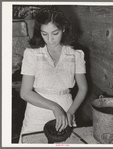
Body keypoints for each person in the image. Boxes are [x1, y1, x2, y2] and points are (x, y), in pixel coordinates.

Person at [19, 5, 88, 143]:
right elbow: (25, 93)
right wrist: (55, 107)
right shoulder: (32, 54)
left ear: (63, 28)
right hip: (37, 111)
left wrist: (70, 112)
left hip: (67, 109)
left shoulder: (75, 54)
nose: (50, 39)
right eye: (45, 34)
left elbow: (83, 88)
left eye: (55, 33)